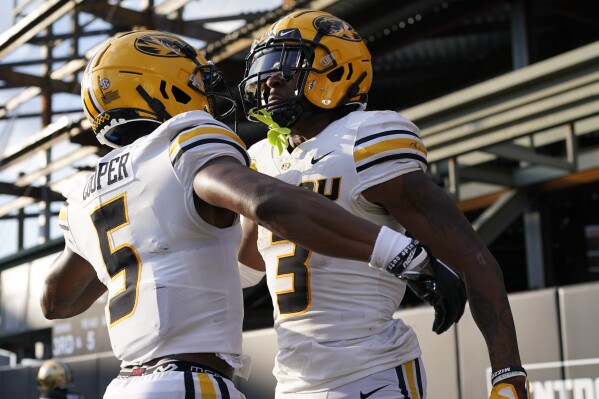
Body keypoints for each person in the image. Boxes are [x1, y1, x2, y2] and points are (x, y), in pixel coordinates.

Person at [40, 30, 456, 399]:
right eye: (193, 81)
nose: (204, 94)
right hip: (189, 382)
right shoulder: (181, 143)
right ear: (158, 85)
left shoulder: (82, 192)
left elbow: (56, 301)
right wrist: (402, 253)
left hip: (124, 384)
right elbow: (268, 203)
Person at [237, 10, 530, 399]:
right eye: (267, 67)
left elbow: (473, 258)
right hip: (292, 383)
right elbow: (246, 269)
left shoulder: (364, 140)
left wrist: (507, 374)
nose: (270, 79)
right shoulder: (264, 159)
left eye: (286, 67)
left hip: (371, 376)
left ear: (336, 71)